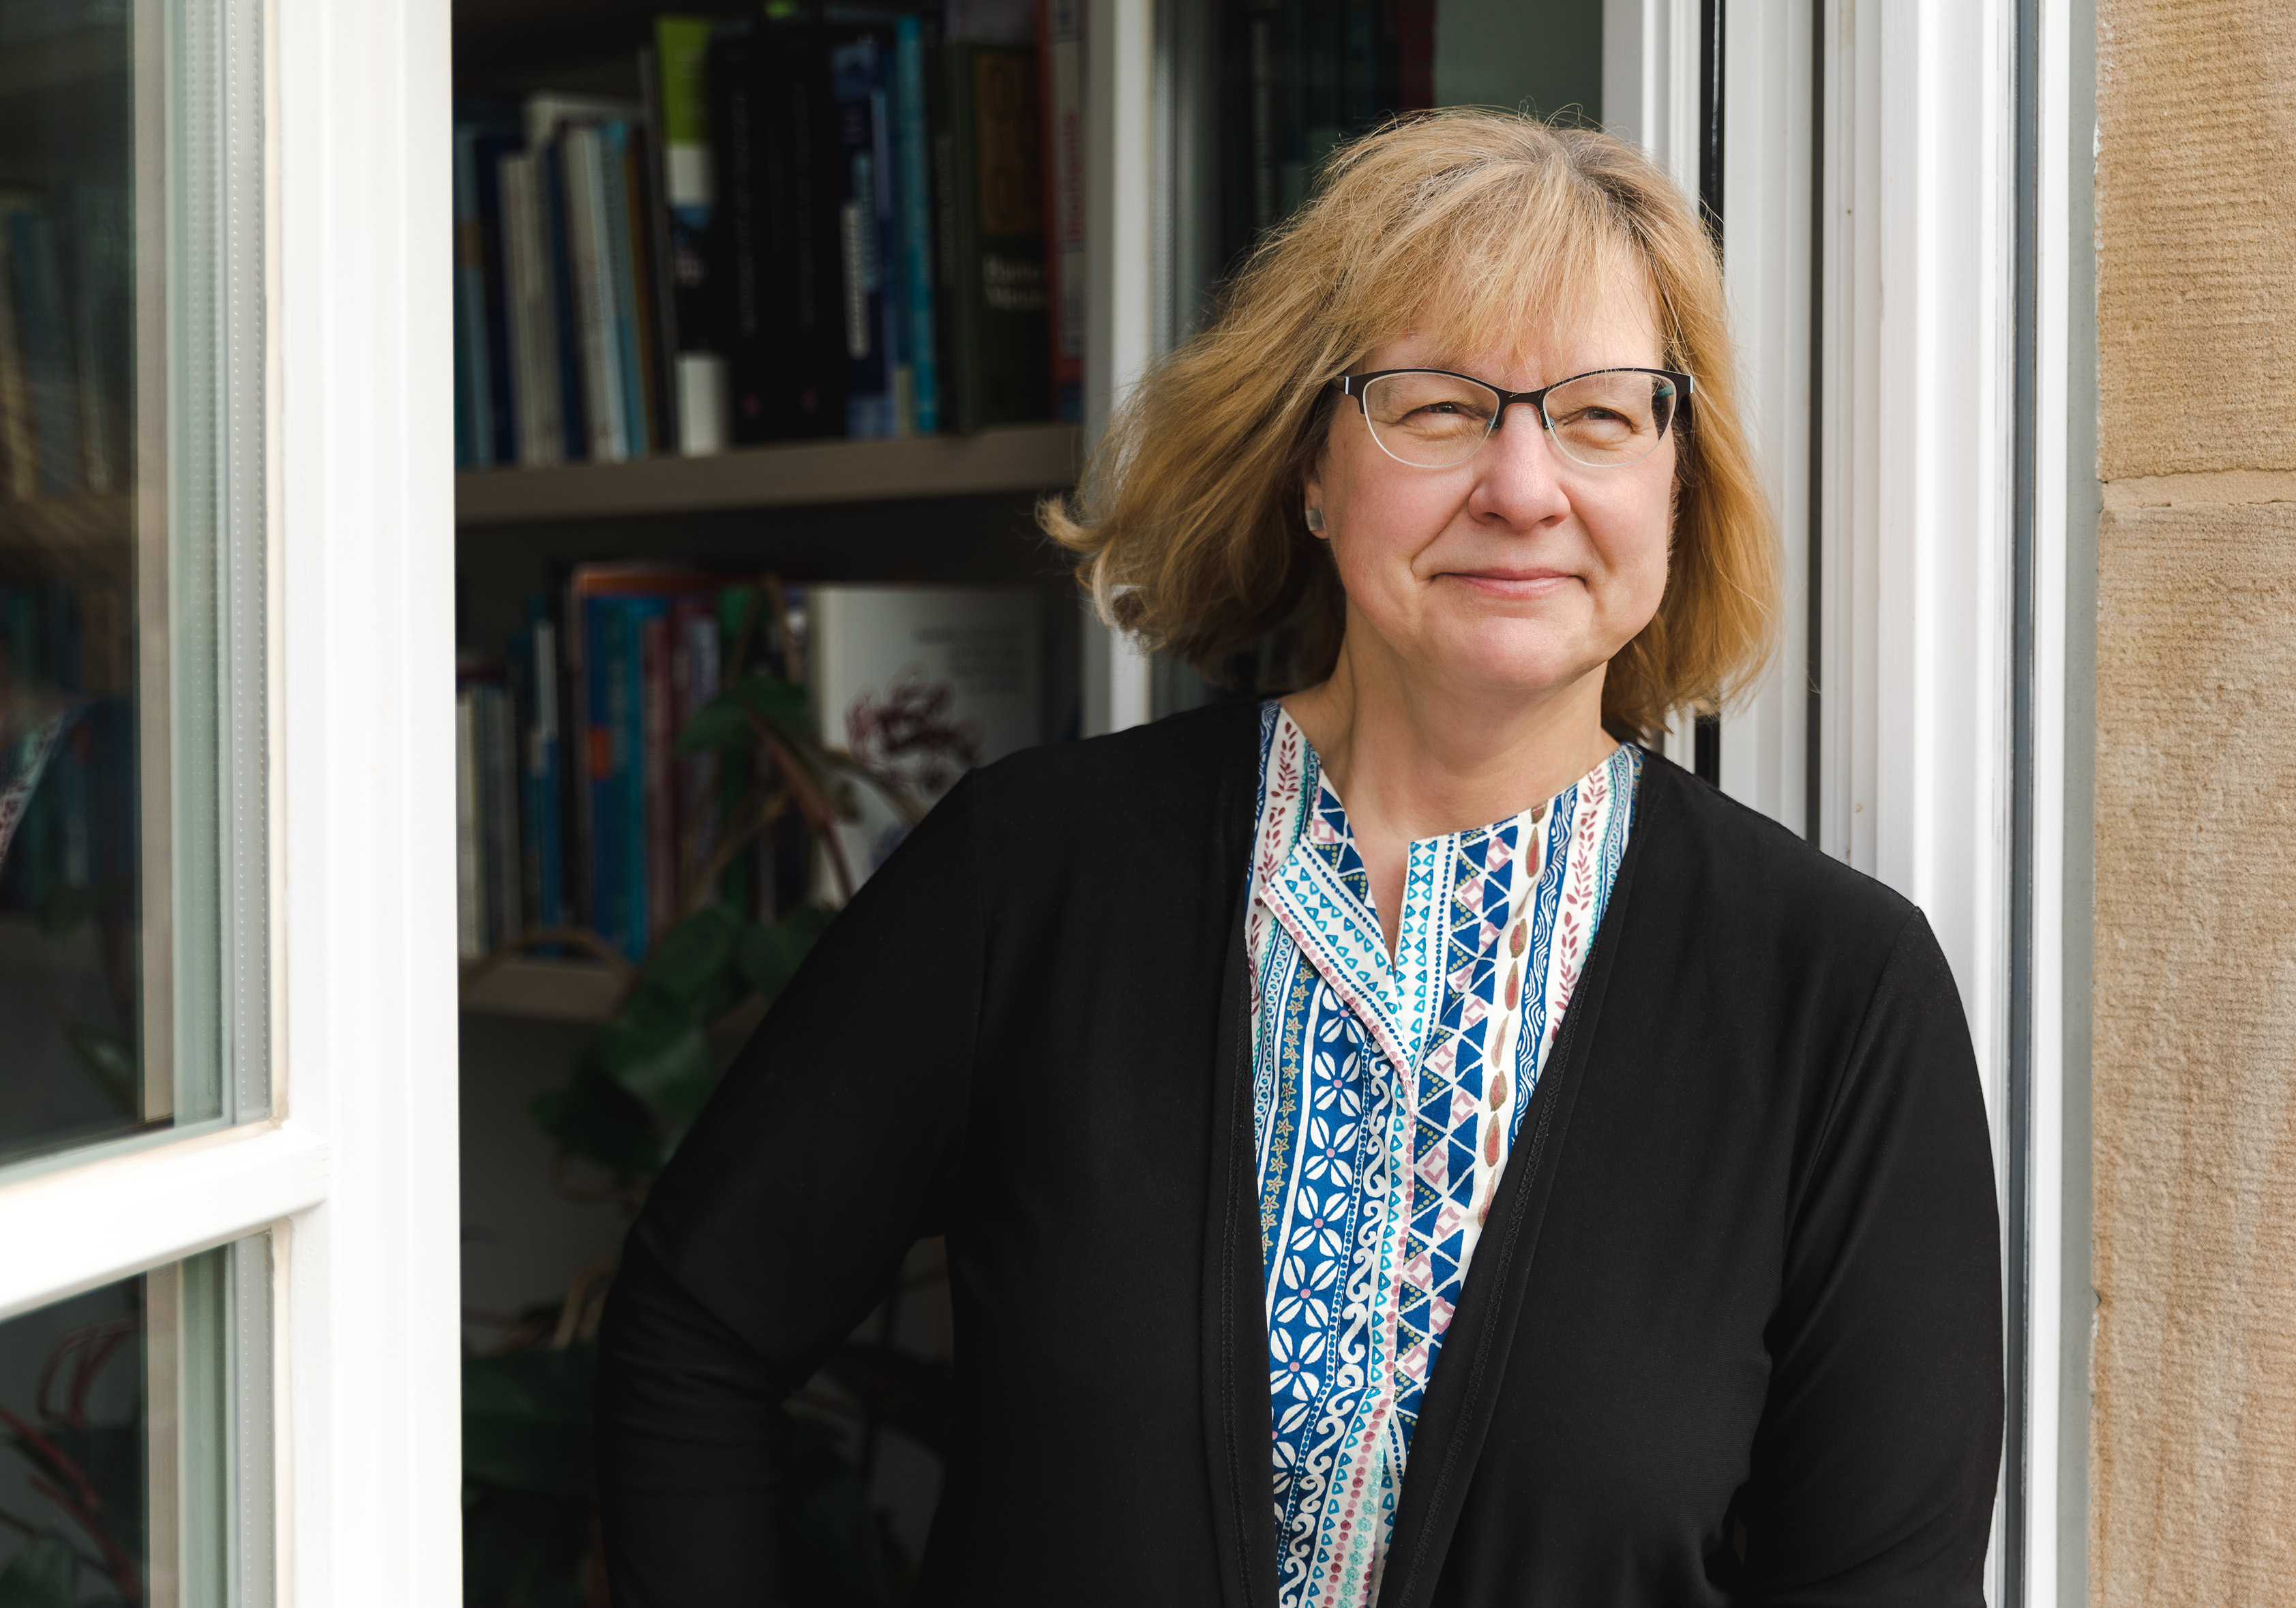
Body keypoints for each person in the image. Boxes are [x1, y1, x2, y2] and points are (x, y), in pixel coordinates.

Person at [597, 109, 2001, 1607]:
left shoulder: (1836, 996)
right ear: (1311, 466)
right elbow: (695, 1332)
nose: (1523, 486)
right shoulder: (1033, 875)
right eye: (1438, 407)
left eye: (1600, 416)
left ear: (1676, 482)